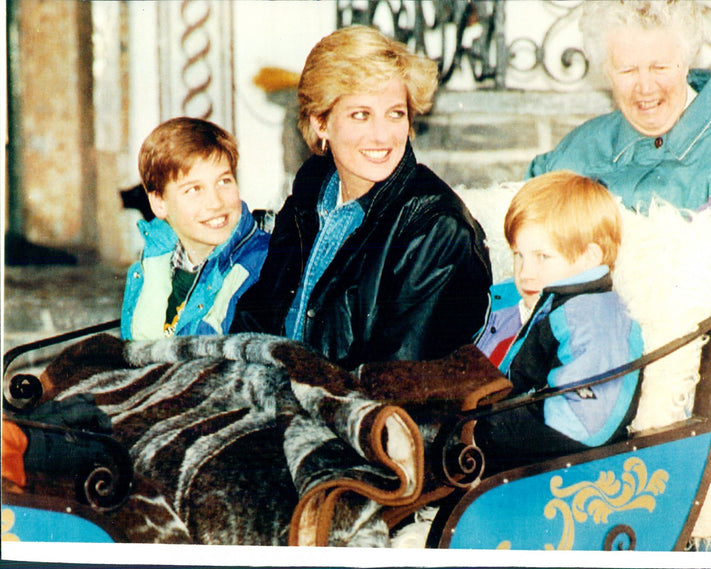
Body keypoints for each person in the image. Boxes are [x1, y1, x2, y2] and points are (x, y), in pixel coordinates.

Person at [232, 26, 492, 371]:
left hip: (358, 415)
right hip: (274, 394)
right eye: (361, 114)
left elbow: (396, 377)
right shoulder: (311, 190)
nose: (382, 135)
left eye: (395, 113)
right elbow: (259, 314)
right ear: (320, 123)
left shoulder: (436, 228)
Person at [527, 0, 711, 213]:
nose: (645, 88)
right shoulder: (577, 151)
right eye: (627, 70)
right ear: (606, 71)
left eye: (659, 68)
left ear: (687, 61)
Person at [473, 171, 643, 472]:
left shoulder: (594, 314)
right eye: (519, 256)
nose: (525, 272)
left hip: (558, 479)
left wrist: (477, 432)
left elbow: (582, 420)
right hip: (496, 459)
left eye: (543, 257)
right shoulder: (521, 302)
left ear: (590, 257)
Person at [121, 117, 270, 340]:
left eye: (224, 181)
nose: (216, 203)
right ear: (159, 203)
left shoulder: (262, 266)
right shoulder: (153, 264)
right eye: (194, 189)